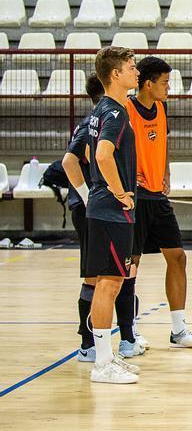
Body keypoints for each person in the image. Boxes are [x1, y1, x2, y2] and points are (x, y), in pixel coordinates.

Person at [124, 56, 192, 349]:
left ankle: (178, 329)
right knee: (131, 264)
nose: (169, 88)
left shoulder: (161, 107)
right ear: (148, 84)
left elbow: (162, 141)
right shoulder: (125, 109)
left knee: (177, 257)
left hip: (157, 196)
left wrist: (167, 171)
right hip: (135, 198)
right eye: (165, 82)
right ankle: (128, 330)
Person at [83, 47, 142, 384]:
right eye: (132, 68)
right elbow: (102, 155)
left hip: (103, 208)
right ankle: (102, 364)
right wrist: (120, 192)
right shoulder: (116, 113)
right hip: (110, 209)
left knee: (112, 281)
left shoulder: (103, 109)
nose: (136, 73)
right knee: (108, 283)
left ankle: (106, 356)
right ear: (116, 74)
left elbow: (92, 152)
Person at [62, 75, 105, 361]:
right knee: (94, 276)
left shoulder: (106, 119)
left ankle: (113, 337)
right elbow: (69, 161)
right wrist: (88, 196)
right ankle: (88, 343)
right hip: (89, 209)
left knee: (106, 274)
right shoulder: (93, 122)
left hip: (101, 209)